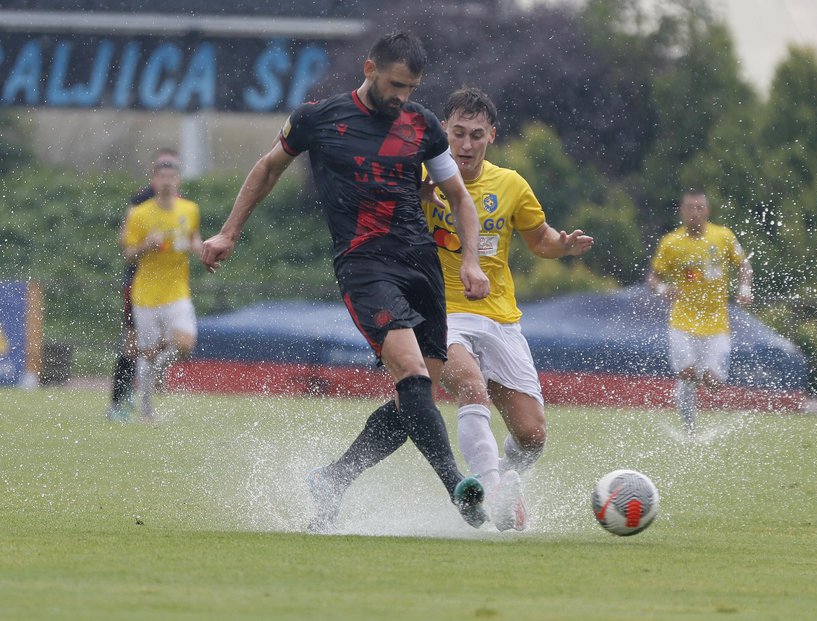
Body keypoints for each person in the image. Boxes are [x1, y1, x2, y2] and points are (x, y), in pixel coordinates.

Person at [199, 32, 492, 531]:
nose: (403, 95)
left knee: (414, 400)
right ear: (369, 66)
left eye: (412, 86)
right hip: (363, 264)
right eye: (396, 84)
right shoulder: (318, 118)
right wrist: (229, 232)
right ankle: (456, 485)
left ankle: (333, 478)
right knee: (410, 371)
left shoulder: (421, 124)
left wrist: (471, 261)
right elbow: (268, 168)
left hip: (420, 264)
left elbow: (459, 197)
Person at [421, 87, 594, 531]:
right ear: (443, 131)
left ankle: (505, 477)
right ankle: (495, 491)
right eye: (457, 133)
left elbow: (541, 241)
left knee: (533, 436)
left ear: (491, 136)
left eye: (476, 135)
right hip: (441, 313)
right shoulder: (420, 177)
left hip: (499, 319)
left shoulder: (511, 184)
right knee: (471, 388)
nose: (465, 144)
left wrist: (565, 246)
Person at [646, 189, 753, 435]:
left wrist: (745, 288)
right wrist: (663, 288)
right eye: (690, 208)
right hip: (683, 321)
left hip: (716, 323)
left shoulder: (723, 236)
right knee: (687, 373)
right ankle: (690, 428)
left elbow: (743, 265)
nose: (695, 213)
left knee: (713, 383)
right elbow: (653, 277)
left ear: (707, 210)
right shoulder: (672, 243)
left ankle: (690, 398)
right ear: (682, 212)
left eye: (699, 208)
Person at [122, 154, 201, 422]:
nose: (167, 182)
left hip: (177, 291)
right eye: (162, 177)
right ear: (154, 181)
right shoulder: (140, 214)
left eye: (171, 177)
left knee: (186, 342)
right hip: (145, 295)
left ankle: (160, 370)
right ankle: (146, 409)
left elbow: (194, 239)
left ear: (178, 181)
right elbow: (128, 253)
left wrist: (203, 250)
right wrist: (146, 244)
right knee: (148, 351)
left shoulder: (190, 210)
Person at [106, 148, 181, 422]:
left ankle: (149, 390)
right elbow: (124, 241)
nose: (167, 176)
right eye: (162, 170)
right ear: (153, 174)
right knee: (132, 341)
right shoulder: (140, 200)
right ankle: (119, 400)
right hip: (139, 281)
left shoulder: (182, 204)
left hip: (169, 285)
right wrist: (147, 243)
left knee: (169, 339)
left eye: (171, 169)